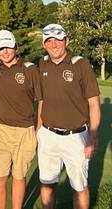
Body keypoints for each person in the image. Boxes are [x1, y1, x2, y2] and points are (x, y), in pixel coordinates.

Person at [37, 24, 101, 209]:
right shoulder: (42, 64)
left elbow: (94, 102)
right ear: (44, 44)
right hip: (48, 135)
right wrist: (38, 131)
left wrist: (93, 136)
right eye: (49, 41)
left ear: (66, 41)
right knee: (47, 182)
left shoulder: (80, 64)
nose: (54, 44)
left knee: (79, 187)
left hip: (76, 136)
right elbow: (42, 100)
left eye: (58, 39)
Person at [0, 30, 42, 209]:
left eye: (8, 47)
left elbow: (42, 100)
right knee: (0, 177)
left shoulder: (30, 69)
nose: (5, 52)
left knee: (19, 176)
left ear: (15, 47)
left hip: (24, 131)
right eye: (0, 48)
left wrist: (38, 128)